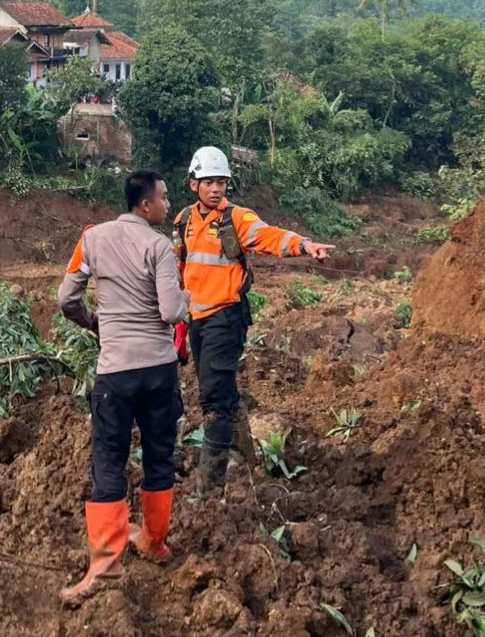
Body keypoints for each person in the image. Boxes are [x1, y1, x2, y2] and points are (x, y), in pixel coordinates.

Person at [57, 170, 189, 603]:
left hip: (115, 372)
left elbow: (66, 299)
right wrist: (189, 301)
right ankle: (154, 541)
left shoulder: (92, 239)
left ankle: (105, 564)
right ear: (146, 206)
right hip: (158, 371)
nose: (169, 205)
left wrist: (96, 324)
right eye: (165, 199)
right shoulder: (159, 247)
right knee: (159, 455)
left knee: (109, 461)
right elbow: (171, 312)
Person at [174, 146, 334, 496]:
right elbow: (178, 265)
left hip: (226, 318)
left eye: (221, 182)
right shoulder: (184, 220)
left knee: (213, 401)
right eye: (209, 182)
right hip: (197, 320)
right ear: (193, 184)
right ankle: (249, 462)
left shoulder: (237, 219)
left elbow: (269, 235)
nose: (216, 189)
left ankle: (209, 488)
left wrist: (304, 245)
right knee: (222, 392)